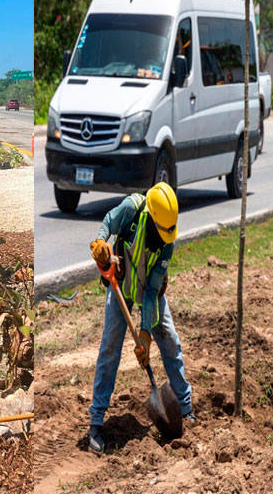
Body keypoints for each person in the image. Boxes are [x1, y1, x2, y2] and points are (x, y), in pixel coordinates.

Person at [87, 182, 194, 454]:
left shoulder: (167, 243)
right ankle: (96, 422)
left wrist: (145, 334)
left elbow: (152, 292)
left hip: (149, 292)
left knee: (169, 340)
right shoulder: (133, 208)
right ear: (153, 216)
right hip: (120, 285)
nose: (166, 237)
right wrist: (101, 241)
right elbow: (109, 222)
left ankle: (185, 408)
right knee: (110, 347)